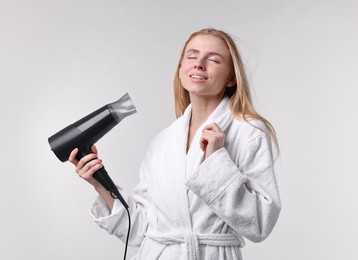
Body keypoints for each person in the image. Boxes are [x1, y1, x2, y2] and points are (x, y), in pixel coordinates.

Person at [69, 28, 281, 260]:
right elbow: (139, 230)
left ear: (231, 77)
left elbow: (260, 224)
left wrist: (217, 161)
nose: (199, 64)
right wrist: (99, 182)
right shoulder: (162, 143)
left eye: (213, 59)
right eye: (191, 56)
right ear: (181, 69)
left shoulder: (249, 132)